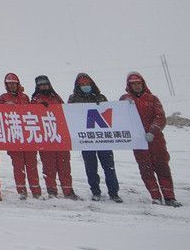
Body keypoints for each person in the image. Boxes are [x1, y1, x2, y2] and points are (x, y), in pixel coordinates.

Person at [121, 72, 181, 207]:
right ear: (129, 85)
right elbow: (119, 116)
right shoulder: (125, 99)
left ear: (143, 84)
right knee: (145, 169)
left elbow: (160, 117)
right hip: (139, 142)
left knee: (162, 167)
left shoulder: (153, 99)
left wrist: (153, 131)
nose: (137, 86)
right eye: (133, 84)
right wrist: (124, 105)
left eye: (139, 83)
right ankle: (155, 196)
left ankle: (169, 197)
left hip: (156, 140)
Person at [68, 73, 122, 202]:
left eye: (87, 84)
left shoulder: (100, 97)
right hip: (86, 140)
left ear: (92, 84)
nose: (85, 86)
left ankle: (114, 192)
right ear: (77, 86)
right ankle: (95, 191)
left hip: (103, 139)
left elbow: (112, 113)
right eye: (82, 84)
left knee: (109, 167)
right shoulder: (73, 99)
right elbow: (69, 116)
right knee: (91, 168)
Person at [31, 75, 80, 200]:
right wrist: (39, 108)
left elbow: (66, 113)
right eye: (41, 85)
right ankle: (52, 191)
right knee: (49, 168)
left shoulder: (56, 97)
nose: (44, 87)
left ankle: (68, 190)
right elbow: (31, 116)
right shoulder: (35, 99)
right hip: (46, 138)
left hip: (60, 137)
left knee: (65, 167)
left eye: (45, 84)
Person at [0, 72, 42, 200]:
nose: (12, 86)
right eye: (9, 84)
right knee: (18, 167)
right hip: (14, 137)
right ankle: (22, 191)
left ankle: (36, 191)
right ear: (6, 85)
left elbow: (33, 113)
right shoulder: (3, 98)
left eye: (14, 83)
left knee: (32, 166)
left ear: (18, 84)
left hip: (28, 137)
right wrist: (5, 108)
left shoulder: (25, 97)